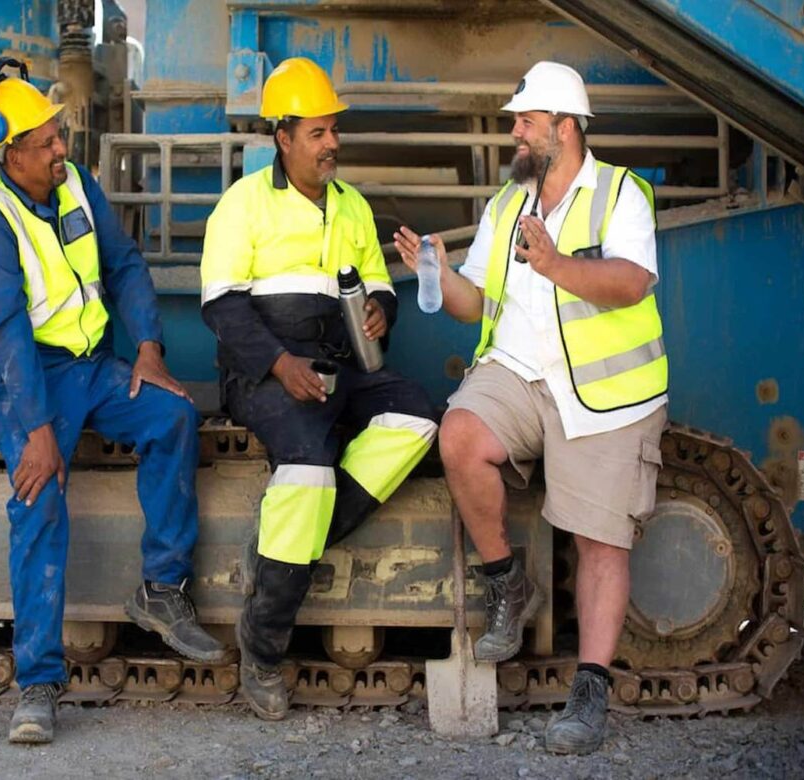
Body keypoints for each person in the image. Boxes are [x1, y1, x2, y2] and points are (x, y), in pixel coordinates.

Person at [394, 61, 666, 755]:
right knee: (459, 436)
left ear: (564, 128)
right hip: (519, 373)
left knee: (599, 542)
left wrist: (554, 265)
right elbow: (475, 304)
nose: (514, 133)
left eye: (525, 122)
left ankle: (590, 693)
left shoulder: (620, 195)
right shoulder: (508, 205)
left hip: (606, 396)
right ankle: (507, 584)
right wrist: (437, 271)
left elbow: (631, 283)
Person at [0, 58, 227, 744]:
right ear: (11, 153)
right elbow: (10, 334)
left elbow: (125, 261)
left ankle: (162, 590)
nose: (61, 149)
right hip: (26, 382)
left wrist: (148, 346)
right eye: (46, 142)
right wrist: (39, 428)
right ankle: (38, 684)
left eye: (59, 136)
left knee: (172, 415)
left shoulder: (75, 185)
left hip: (93, 365)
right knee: (39, 495)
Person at [200, 57, 439, 721]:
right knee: (307, 472)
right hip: (267, 372)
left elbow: (380, 282)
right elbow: (222, 308)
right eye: (318, 132)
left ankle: (288, 546)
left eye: (334, 130)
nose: (332, 143)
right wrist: (281, 366)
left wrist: (382, 310)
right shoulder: (243, 205)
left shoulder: (352, 206)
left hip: (345, 368)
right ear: (283, 138)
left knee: (417, 419)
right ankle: (263, 647)